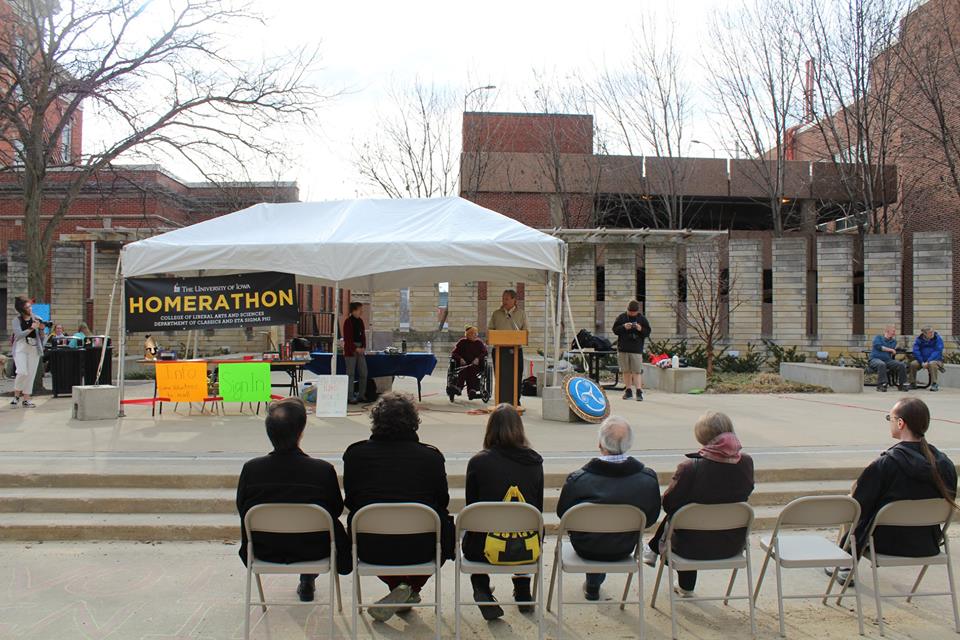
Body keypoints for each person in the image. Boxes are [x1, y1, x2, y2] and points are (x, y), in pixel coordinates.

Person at [342, 392, 455, 622]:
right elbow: (442, 501)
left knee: (357, 520)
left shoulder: (355, 455)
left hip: (370, 546)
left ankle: (399, 588)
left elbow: (351, 501)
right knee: (442, 523)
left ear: (376, 420)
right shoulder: (431, 457)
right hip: (423, 545)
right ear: (413, 421)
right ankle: (411, 587)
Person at [236, 397, 351, 601]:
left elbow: (242, 508)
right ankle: (308, 577)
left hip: (265, 549)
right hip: (314, 549)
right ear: (301, 431)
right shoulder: (322, 471)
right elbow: (335, 509)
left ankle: (307, 579)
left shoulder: (251, 470)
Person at [832, 397, 957, 585]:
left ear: (900, 423)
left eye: (889, 418)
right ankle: (843, 563)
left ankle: (844, 563)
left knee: (852, 503)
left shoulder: (886, 464)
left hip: (884, 544)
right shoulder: (945, 464)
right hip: (927, 543)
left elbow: (858, 506)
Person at [643, 412, 754, 597]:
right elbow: (746, 492)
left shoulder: (690, 467)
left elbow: (669, 504)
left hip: (688, 547)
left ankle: (657, 554)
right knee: (689, 517)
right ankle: (658, 555)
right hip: (731, 544)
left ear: (701, 436)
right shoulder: (746, 462)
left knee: (683, 517)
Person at [557, 416, 661, 601]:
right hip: (624, 546)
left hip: (585, 546)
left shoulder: (578, 480)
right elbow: (651, 518)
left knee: (596, 530)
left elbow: (563, 514)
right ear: (629, 444)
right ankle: (594, 583)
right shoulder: (647, 480)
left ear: (600, 444)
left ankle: (593, 583)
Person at [462, 404, 543, 619]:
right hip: (524, 548)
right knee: (529, 526)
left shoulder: (478, 462)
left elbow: (471, 509)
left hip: (483, 549)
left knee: (474, 531)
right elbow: (538, 507)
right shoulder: (534, 462)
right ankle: (523, 590)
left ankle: (482, 587)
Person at [488, 289, 527, 404]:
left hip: (515, 350)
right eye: (503, 298)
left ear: (514, 300)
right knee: (501, 376)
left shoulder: (521, 313)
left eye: (507, 298)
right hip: (499, 351)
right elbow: (490, 330)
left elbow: (526, 331)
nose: (504, 301)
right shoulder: (496, 313)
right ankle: (500, 401)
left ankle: (515, 401)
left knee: (516, 376)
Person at [612, 300, 651, 401]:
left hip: (636, 349)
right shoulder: (622, 317)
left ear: (637, 311)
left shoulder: (642, 319)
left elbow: (647, 332)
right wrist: (624, 327)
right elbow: (615, 330)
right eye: (630, 311)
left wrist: (640, 329)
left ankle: (639, 391)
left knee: (637, 371)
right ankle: (628, 390)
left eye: (634, 312)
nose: (632, 313)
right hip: (623, 348)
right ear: (627, 310)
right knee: (626, 370)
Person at [10, 295, 44, 408]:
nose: (30, 309)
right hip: (21, 347)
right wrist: (31, 328)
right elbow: (18, 336)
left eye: (30, 306)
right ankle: (16, 395)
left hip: (34, 348)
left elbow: (42, 337)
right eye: (27, 307)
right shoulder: (16, 320)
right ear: (21, 309)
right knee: (22, 371)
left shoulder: (37, 318)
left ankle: (26, 399)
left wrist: (42, 329)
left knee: (31, 374)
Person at [448, 325, 488, 400]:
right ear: (468, 335)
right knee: (463, 370)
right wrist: (460, 359)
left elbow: (485, 353)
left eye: (476, 333)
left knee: (472, 369)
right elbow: (454, 353)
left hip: (475, 365)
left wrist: (478, 359)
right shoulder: (462, 342)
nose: (476, 335)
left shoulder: (479, 343)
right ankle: (459, 388)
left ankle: (471, 390)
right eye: (473, 333)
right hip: (463, 365)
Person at [342, 301, 368, 404]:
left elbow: (363, 336)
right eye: (359, 309)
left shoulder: (360, 321)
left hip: (360, 348)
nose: (361, 311)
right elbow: (347, 339)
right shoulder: (348, 322)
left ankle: (361, 395)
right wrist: (355, 348)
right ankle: (350, 396)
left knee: (363, 372)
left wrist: (363, 347)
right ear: (353, 310)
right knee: (350, 374)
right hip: (350, 350)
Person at [869, 325, 907, 392]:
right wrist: (891, 350)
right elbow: (879, 347)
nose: (894, 333)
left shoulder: (893, 341)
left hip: (888, 360)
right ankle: (882, 385)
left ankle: (902, 384)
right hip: (875, 359)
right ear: (887, 331)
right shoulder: (878, 337)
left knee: (901, 365)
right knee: (881, 364)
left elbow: (893, 349)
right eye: (893, 331)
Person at [910, 326, 944, 392]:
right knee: (913, 364)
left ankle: (934, 384)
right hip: (922, 361)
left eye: (932, 332)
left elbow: (937, 351)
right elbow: (916, 351)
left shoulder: (938, 338)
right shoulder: (919, 339)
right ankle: (912, 383)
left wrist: (928, 361)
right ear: (924, 334)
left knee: (932, 363)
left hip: (936, 360)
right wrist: (922, 362)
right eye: (930, 333)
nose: (932, 334)